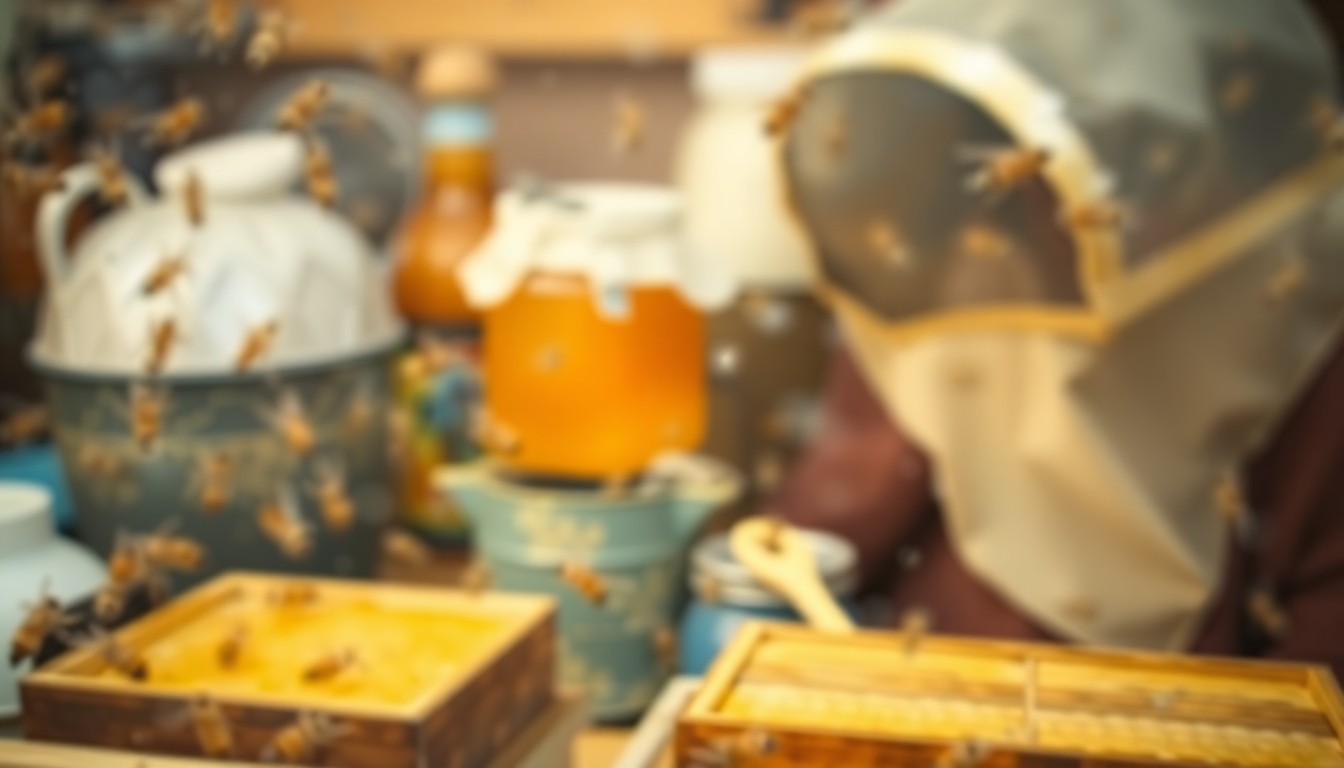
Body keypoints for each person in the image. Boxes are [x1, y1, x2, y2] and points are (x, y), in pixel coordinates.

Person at [770, 0, 1344, 679]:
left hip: (1209, 696)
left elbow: (1319, 667)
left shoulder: (1291, 306)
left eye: (1146, 155)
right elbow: (834, 515)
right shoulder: (956, 256)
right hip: (945, 672)